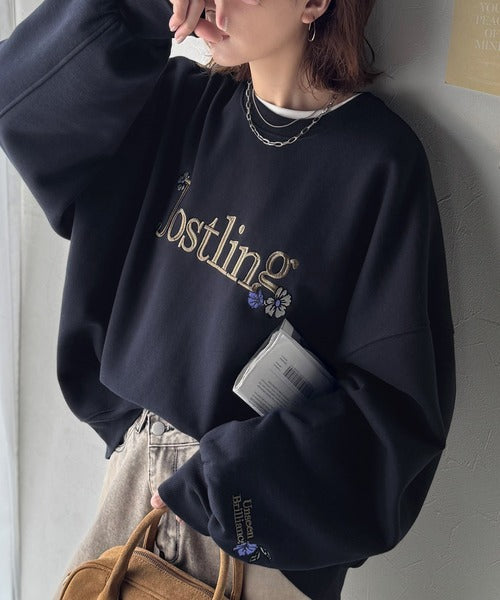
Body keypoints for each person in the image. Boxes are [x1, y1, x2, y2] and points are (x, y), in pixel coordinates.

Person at [0, 0, 456, 599]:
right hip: (133, 495)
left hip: (259, 530)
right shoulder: (177, 102)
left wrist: (228, 484)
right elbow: (22, 99)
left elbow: (398, 413)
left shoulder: (379, 162)